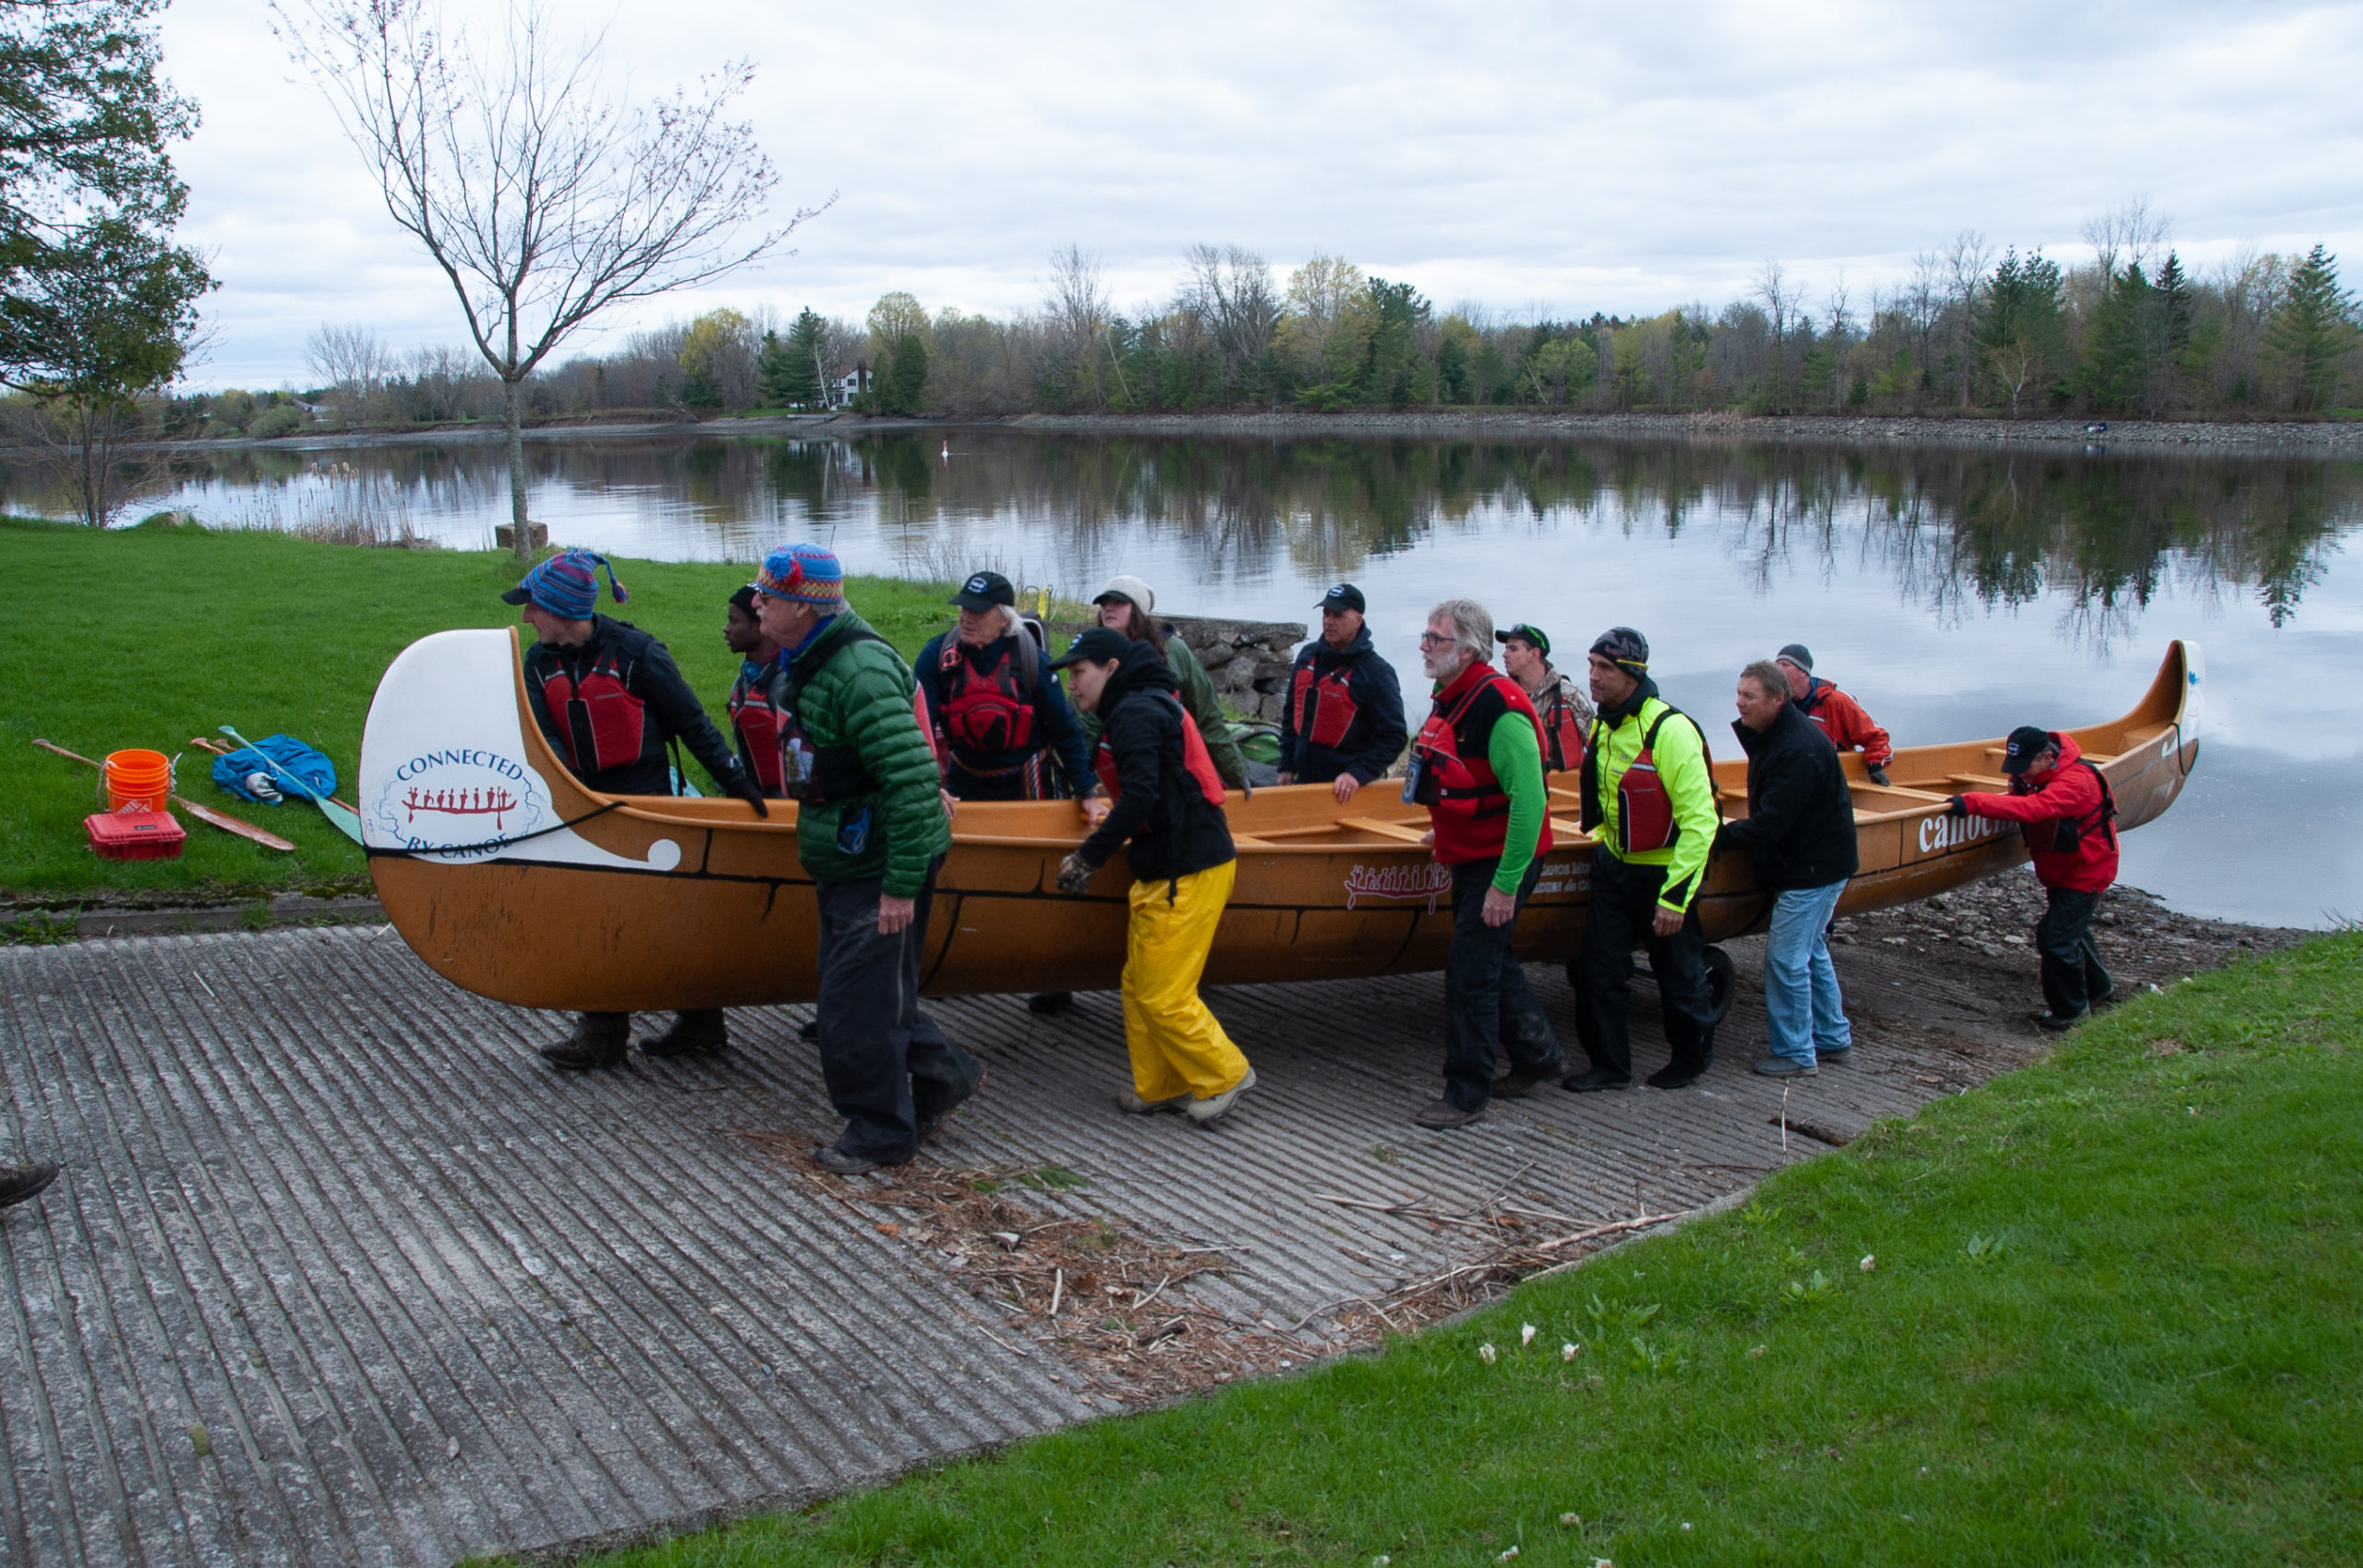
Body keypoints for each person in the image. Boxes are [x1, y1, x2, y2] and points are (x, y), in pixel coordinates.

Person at [751, 543, 984, 1171]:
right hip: (853, 850)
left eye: (767, 596)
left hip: (879, 858)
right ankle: (944, 1075)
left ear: (802, 608)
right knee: (877, 992)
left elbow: (910, 781)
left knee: (852, 1007)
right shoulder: (812, 658)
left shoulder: (856, 670)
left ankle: (880, 1135)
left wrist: (899, 886)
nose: (756, 603)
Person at [505, 549, 767, 1070]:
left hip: (648, 804)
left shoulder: (638, 653)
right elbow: (546, 742)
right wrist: (573, 803)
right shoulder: (537, 664)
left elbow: (695, 727)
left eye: (533, 607)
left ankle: (700, 1024)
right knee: (592, 918)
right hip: (587, 807)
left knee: (668, 918)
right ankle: (600, 1036)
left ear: (560, 609)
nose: (525, 617)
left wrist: (745, 793)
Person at [1050, 627, 1255, 1127]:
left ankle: (1224, 1074)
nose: (1072, 685)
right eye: (1070, 676)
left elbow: (1139, 795)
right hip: (1164, 865)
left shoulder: (1136, 711)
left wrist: (1089, 857)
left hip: (1188, 867)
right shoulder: (1137, 703)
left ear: (1112, 669)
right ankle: (1162, 1085)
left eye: (1079, 674)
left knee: (1164, 994)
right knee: (1137, 983)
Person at [1404, 599, 1564, 1129]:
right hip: (1470, 851)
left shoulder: (1499, 706)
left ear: (1469, 650)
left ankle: (1466, 1094)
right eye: (1425, 636)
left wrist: (1504, 886)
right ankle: (1539, 1056)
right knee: (1490, 960)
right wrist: (1443, 826)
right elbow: (1459, 775)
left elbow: (1531, 804)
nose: (1424, 647)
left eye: (1436, 639)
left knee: (1469, 973)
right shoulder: (1450, 696)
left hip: (1503, 859)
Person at [1565, 627, 1722, 1092]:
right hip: (1614, 865)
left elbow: (1702, 822)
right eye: (1591, 665)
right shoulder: (1603, 723)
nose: (1592, 677)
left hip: (1664, 872)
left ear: (1633, 675)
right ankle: (1610, 1066)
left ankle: (1690, 1060)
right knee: (1597, 971)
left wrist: (1674, 900)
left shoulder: (1671, 730)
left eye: (1604, 669)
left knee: (1678, 976)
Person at [1718, 660, 1859, 1078]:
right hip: (1823, 860)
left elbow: (1771, 825)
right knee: (1811, 950)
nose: (1739, 703)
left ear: (1778, 700)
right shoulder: (1780, 735)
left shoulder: (1796, 748)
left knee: (1785, 959)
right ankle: (1833, 1037)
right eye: (1739, 694)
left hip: (1813, 868)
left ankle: (1797, 1053)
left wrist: (1716, 836)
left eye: (1749, 696)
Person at [1948, 725, 2118, 1031]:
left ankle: (2071, 1013)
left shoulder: (2078, 780)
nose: (2020, 775)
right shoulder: (2029, 776)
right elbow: (2020, 798)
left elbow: (2037, 809)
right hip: (2057, 869)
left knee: (2055, 940)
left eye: (2025, 768)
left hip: (2087, 869)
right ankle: (2099, 989)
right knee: (2069, 930)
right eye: (2015, 769)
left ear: (2048, 757)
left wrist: (1973, 803)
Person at [916, 570, 1095, 802]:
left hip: (1025, 783)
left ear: (1004, 619)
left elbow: (1065, 732)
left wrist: (1086, 793)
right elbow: (918, 731)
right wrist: (928, 789)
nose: (966, 618)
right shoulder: (935, 657)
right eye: (964, 609)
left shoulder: (1034, 662)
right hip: (963, 783)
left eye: (978, 611)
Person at [1082, 575, 1251, 788]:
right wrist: (1091, 784)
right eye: (1104, 604)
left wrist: (1235, 772)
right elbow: (1087, 727)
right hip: (1121, 768)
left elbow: (1208, 716)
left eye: (1118, 603)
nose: (1108, 609)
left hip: (1175, 765)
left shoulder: (1174, 650)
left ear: (1138, 609)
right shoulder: (1093, 657)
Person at [1277, 582, 1408, 803]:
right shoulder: (1307, 657)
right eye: (1326, 613)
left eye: (1338, 615)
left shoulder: (1377, 674)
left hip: (1348, 790)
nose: (1329, 621)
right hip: (1304, 782)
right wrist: (1286, 765)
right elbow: (1291, 716)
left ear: (1358, 620)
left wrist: (1357, 773)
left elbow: (1393, 737)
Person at [1775, 644, 1893, 786]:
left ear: (1803, 671)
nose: (1778, 670)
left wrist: (1875, 766)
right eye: (1777, 665)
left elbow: (1876, 737)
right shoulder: (1777, 705)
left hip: (1834, 780)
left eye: (1785, 665)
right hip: (1794, 778)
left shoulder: (1836, 701)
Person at [1494, 622, 1594, 772]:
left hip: (1566, 787)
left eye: (1513, 649)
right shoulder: (1503, 696)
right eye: (1506, 649)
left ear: (1534, 654)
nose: (1505, 654)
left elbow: (1596, 745)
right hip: (1520, 785)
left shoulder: (1569, 695)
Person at [723, 584, 786, 797]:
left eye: (734, 620)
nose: (726, 628)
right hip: (750, 792)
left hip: (789, 802)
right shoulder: (743, 680)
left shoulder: (787, 683)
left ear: (761, 624)